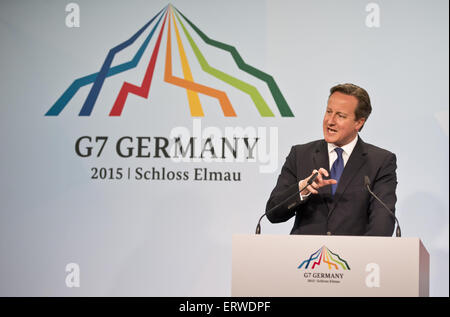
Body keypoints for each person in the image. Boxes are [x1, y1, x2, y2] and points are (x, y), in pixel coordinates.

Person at [265, 83, 397, 236]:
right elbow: (273, 213)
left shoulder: (380, 161)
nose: (330, 121)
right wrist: (303, 189)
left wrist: (364, 256)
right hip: (304, 257)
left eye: (340, 116)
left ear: (359, 122)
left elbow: (382, 222)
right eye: (329, 112)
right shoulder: (300, 154)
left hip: (353, 257)